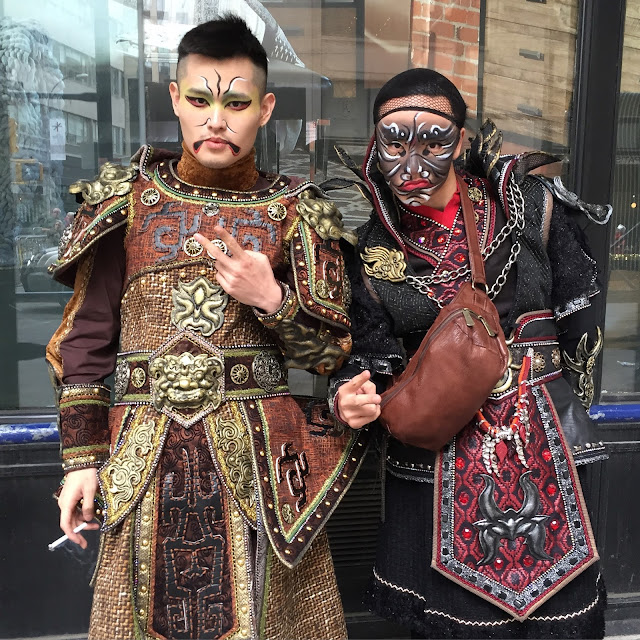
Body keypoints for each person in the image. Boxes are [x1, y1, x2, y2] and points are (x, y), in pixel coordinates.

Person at [46, 16, 363, 640]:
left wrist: (271, 299)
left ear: (265, 109)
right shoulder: (127, 199)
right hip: (143, 457)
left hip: (261, 468)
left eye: (236, 104)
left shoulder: (296, 211)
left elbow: (330, 353)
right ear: (175, 99)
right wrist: (81, 459)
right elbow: (84, 341)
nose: (216, 120)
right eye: (200, 100)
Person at [331, 68, 610, 638]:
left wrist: (566, 410)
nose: (412, 162)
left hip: (541, 444)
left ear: (460, 141)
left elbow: (580, 317)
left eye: (432, 141)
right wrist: (351, 395)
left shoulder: (528, 207)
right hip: (437, 453)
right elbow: (370, 357)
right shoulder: (371, 248)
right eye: (395, 143)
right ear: (376, 145)